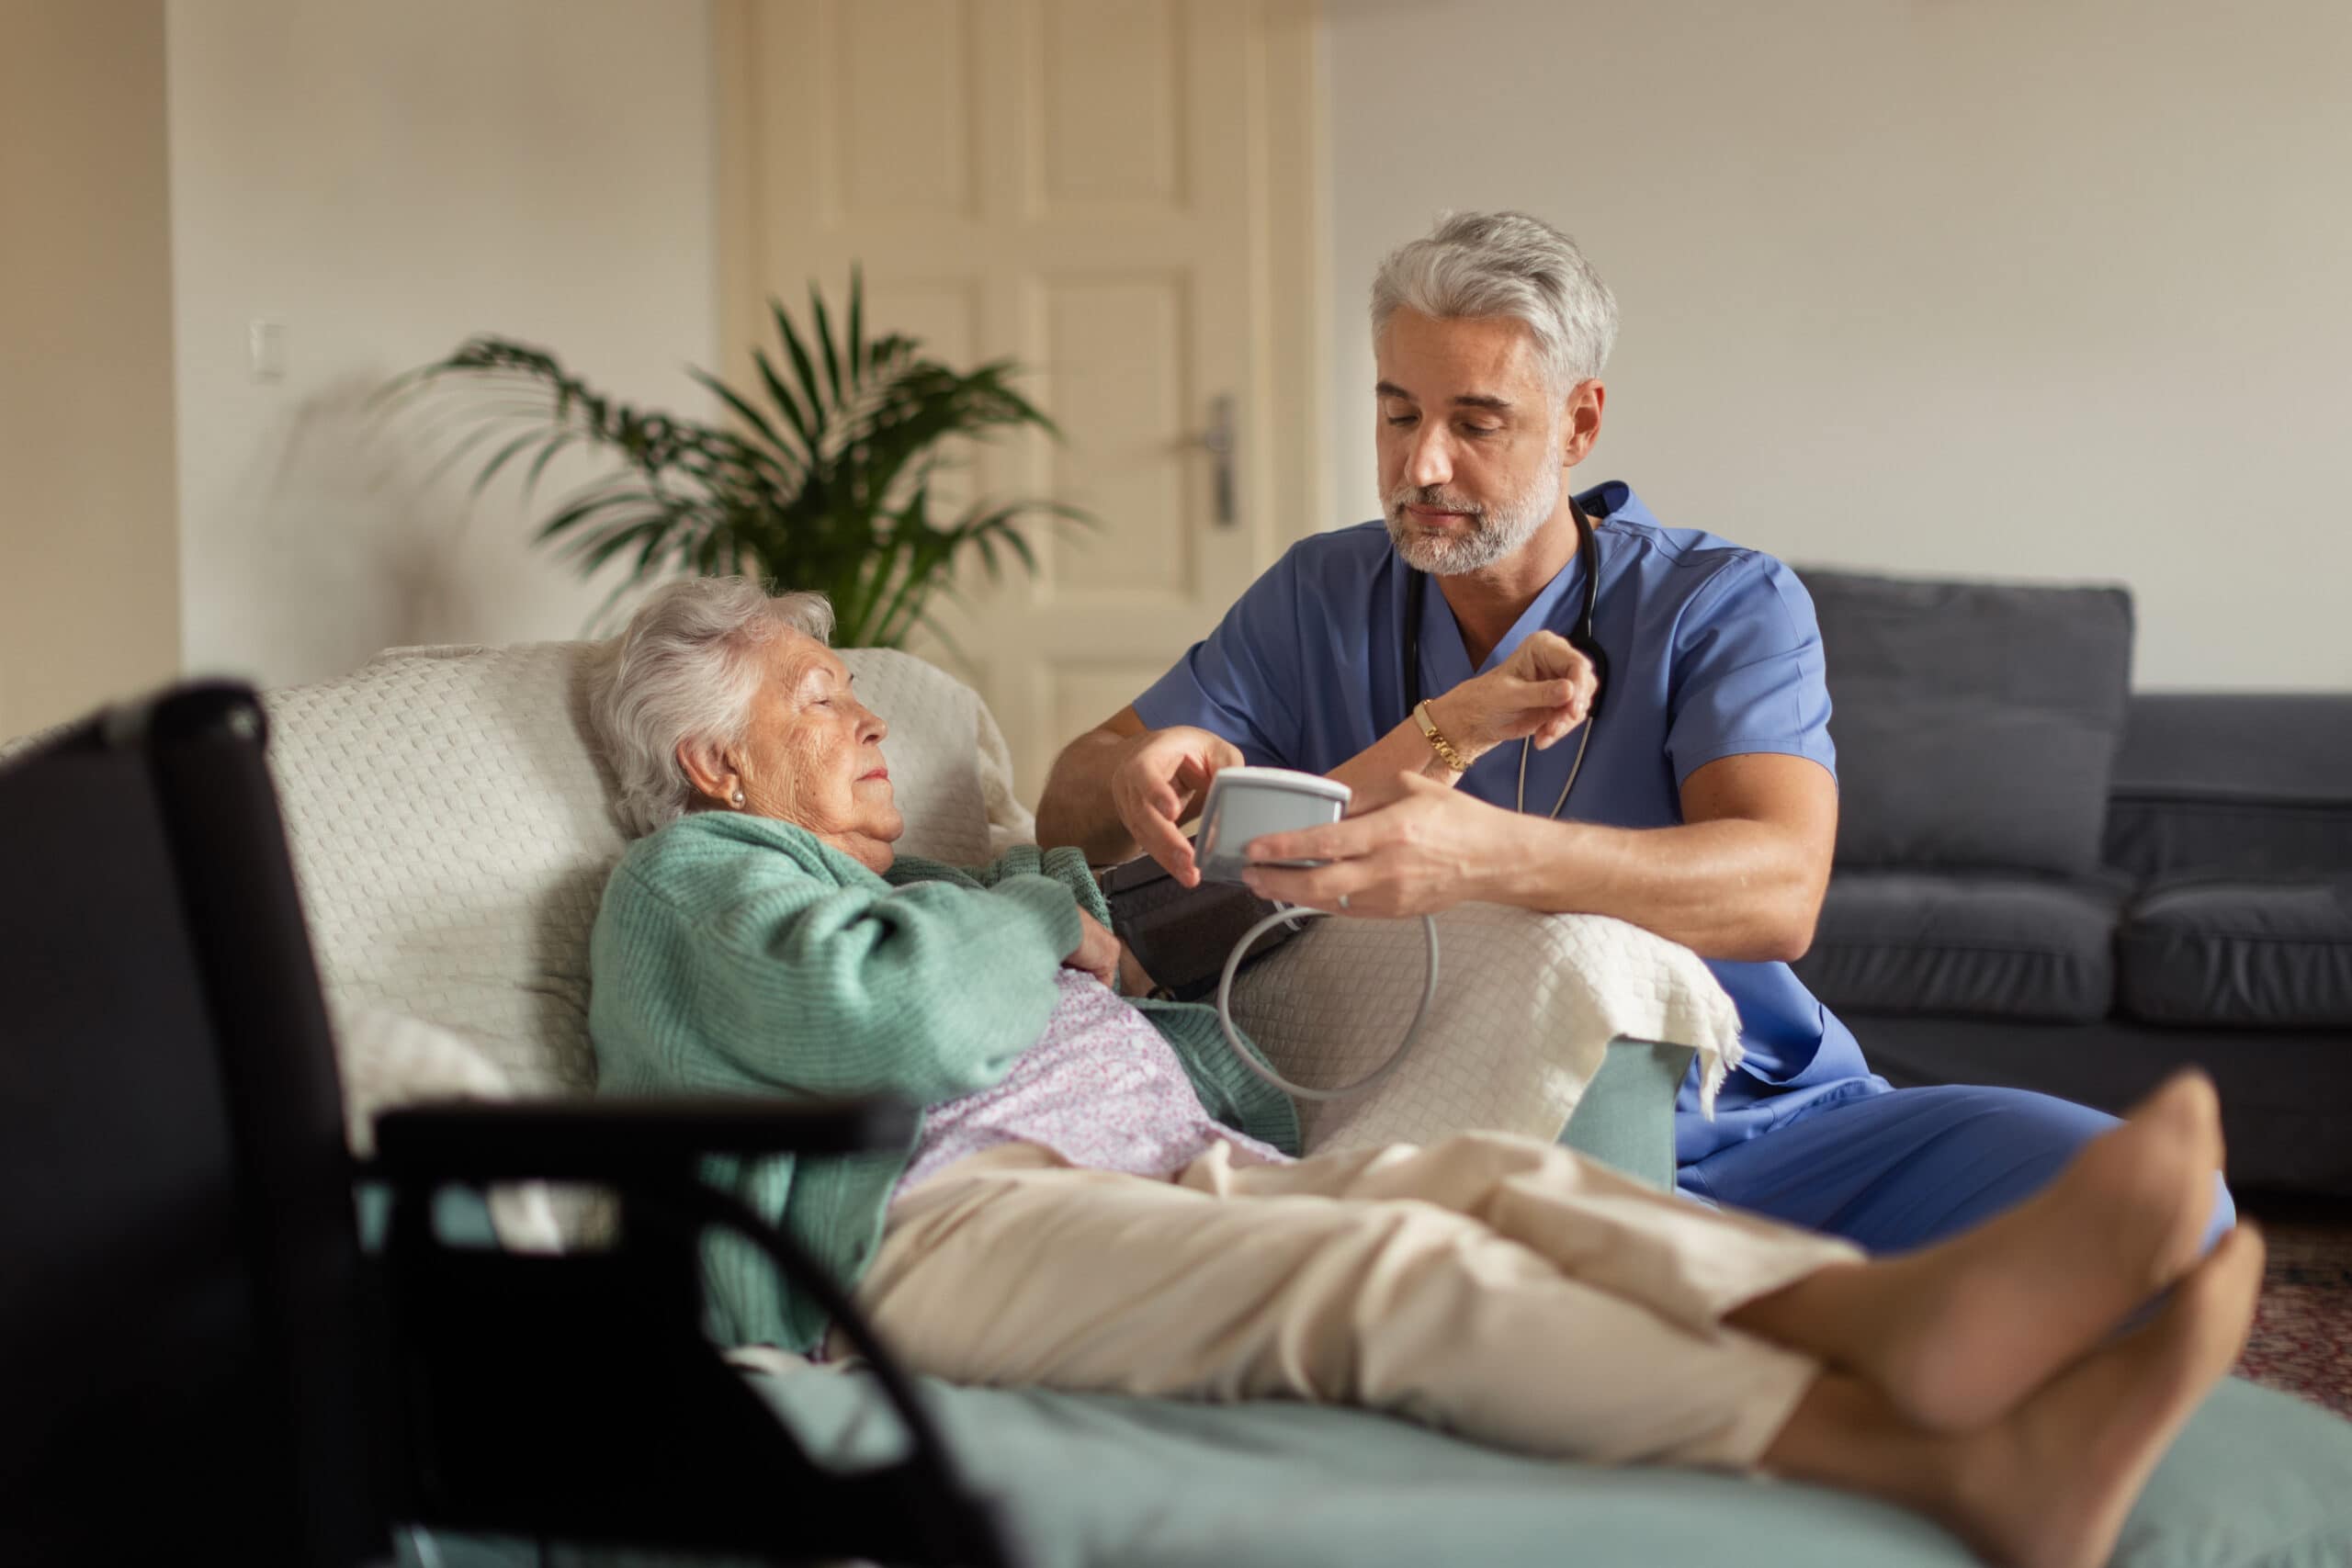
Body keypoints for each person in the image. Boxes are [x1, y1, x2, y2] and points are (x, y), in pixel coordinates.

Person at [583, 576, 2259, 1568]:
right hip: (918, 1236)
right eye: (821, 700)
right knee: (1393, 1268)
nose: (869, 718)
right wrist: (1043, 910)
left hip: (1158, 1179)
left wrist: (1086, 920)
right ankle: (1940, 1466)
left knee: (1500, 1183)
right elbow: (910, 1028)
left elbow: (1130, 934)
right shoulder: (699, 887)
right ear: (720, 761)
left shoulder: (926, 895)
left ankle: (1884, 1321)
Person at [1034, 209, 2236, 1257]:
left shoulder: (1722, 602)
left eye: (1477, 420)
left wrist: (1484, 854)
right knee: (1593, 1289)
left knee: (2167, 1207)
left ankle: (1777, 1307)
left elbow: (1778, 889)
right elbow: (1069, 803)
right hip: (1461, 1134)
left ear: (1580, 423)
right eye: (1397, 414)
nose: (1422, 464)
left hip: (1763, 1119)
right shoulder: (1318, 594)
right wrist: (1144, 771)